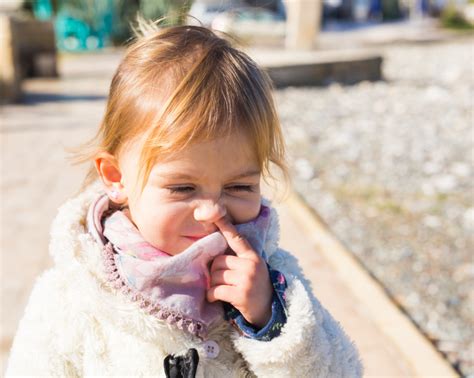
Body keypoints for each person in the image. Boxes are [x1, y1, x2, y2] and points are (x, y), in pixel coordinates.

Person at [5, 21, 363, 377]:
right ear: (116, 178)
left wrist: (271, 322)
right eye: (182, 188)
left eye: (239, 187)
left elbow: (342, 371)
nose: (211, 212)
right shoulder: (74, 296)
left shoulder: (274, 280)